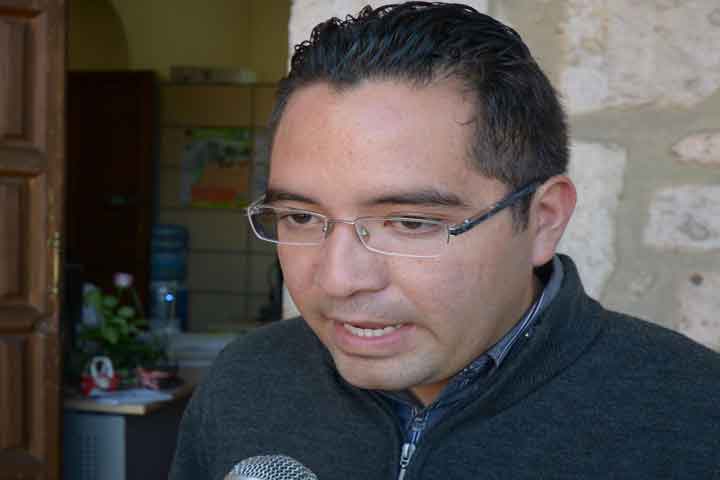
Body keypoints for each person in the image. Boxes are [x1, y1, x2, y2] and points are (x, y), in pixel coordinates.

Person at [170, 3, 720, 479]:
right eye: (300, 217)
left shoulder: (694, 417)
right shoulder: (246, 382)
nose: (338, 279)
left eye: (411, 222)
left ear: (543, 220)